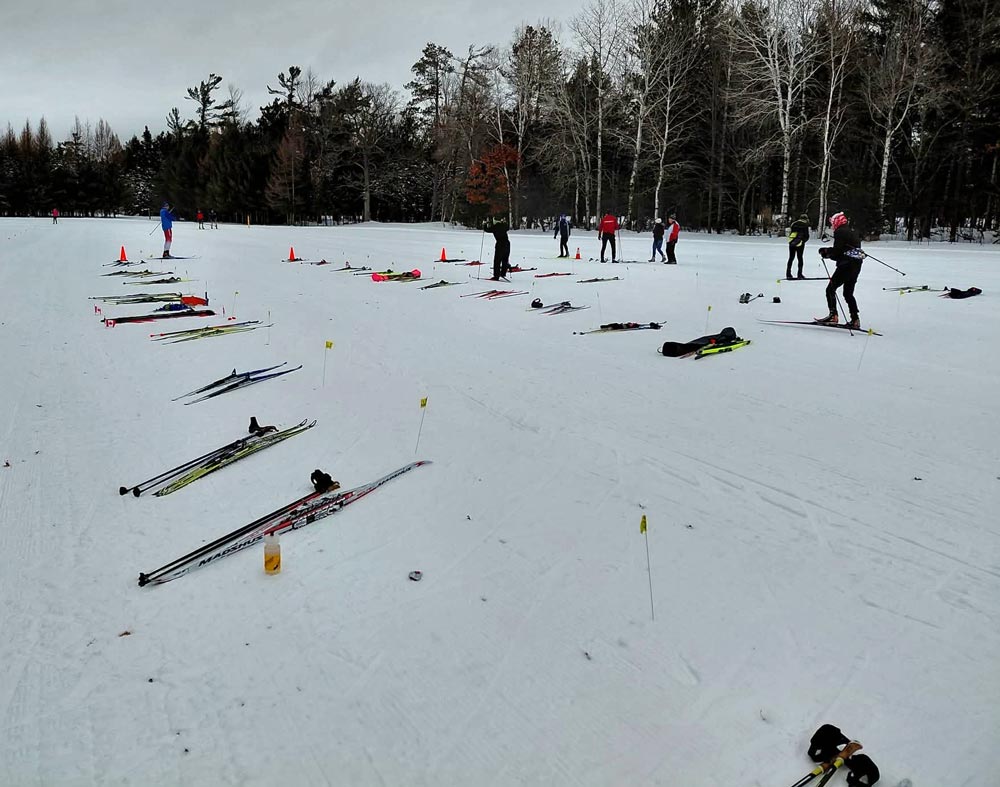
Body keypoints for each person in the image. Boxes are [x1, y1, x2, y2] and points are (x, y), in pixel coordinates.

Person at [817, 211, 864, 328]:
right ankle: (855, 319)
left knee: (830, 289)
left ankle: (833, 316)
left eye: (833, 223)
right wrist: (830, 253)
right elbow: (844, 251)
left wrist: (826, 252)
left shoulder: (840, 232)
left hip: (846, 266)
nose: (833, 226)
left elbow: (838, 252)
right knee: (848, 293)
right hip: (856, 265)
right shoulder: (852, 232)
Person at [484, 216, 511, 280]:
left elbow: (487, 229)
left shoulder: (495, 227)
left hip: (500, 244)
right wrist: (504, 222)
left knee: (497, 261)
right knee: (505, 259)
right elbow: (508, 227)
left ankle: (496, 276)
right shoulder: (503, 226)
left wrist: (485, 224)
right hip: (507, 244)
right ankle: (503, 273)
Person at [786, 213, 810, 279]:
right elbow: (807, 236)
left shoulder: (793, 224)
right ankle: (799, 274)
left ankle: (788, 273)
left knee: (791, 258)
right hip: (800, 244)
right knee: (800, 258)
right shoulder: (805, 225)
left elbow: (790, 233)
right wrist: (802, 241)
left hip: (792, 242)